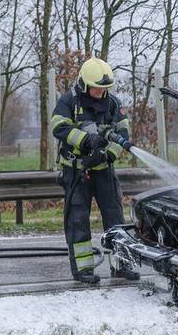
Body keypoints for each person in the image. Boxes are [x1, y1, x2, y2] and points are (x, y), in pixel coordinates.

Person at [51, 57, 139, 283]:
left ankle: (121, 265)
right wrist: (86, 140)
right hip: (76, 171)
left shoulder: (113, 103)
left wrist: (109, 153)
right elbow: (58, 127)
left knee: (116, 218)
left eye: (104, 89)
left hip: (104, 172)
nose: (101, 93)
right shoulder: (69, 101)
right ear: (84, 84)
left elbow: (123, 132)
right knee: (78, 219)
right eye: (97, 89)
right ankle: (83, 270)